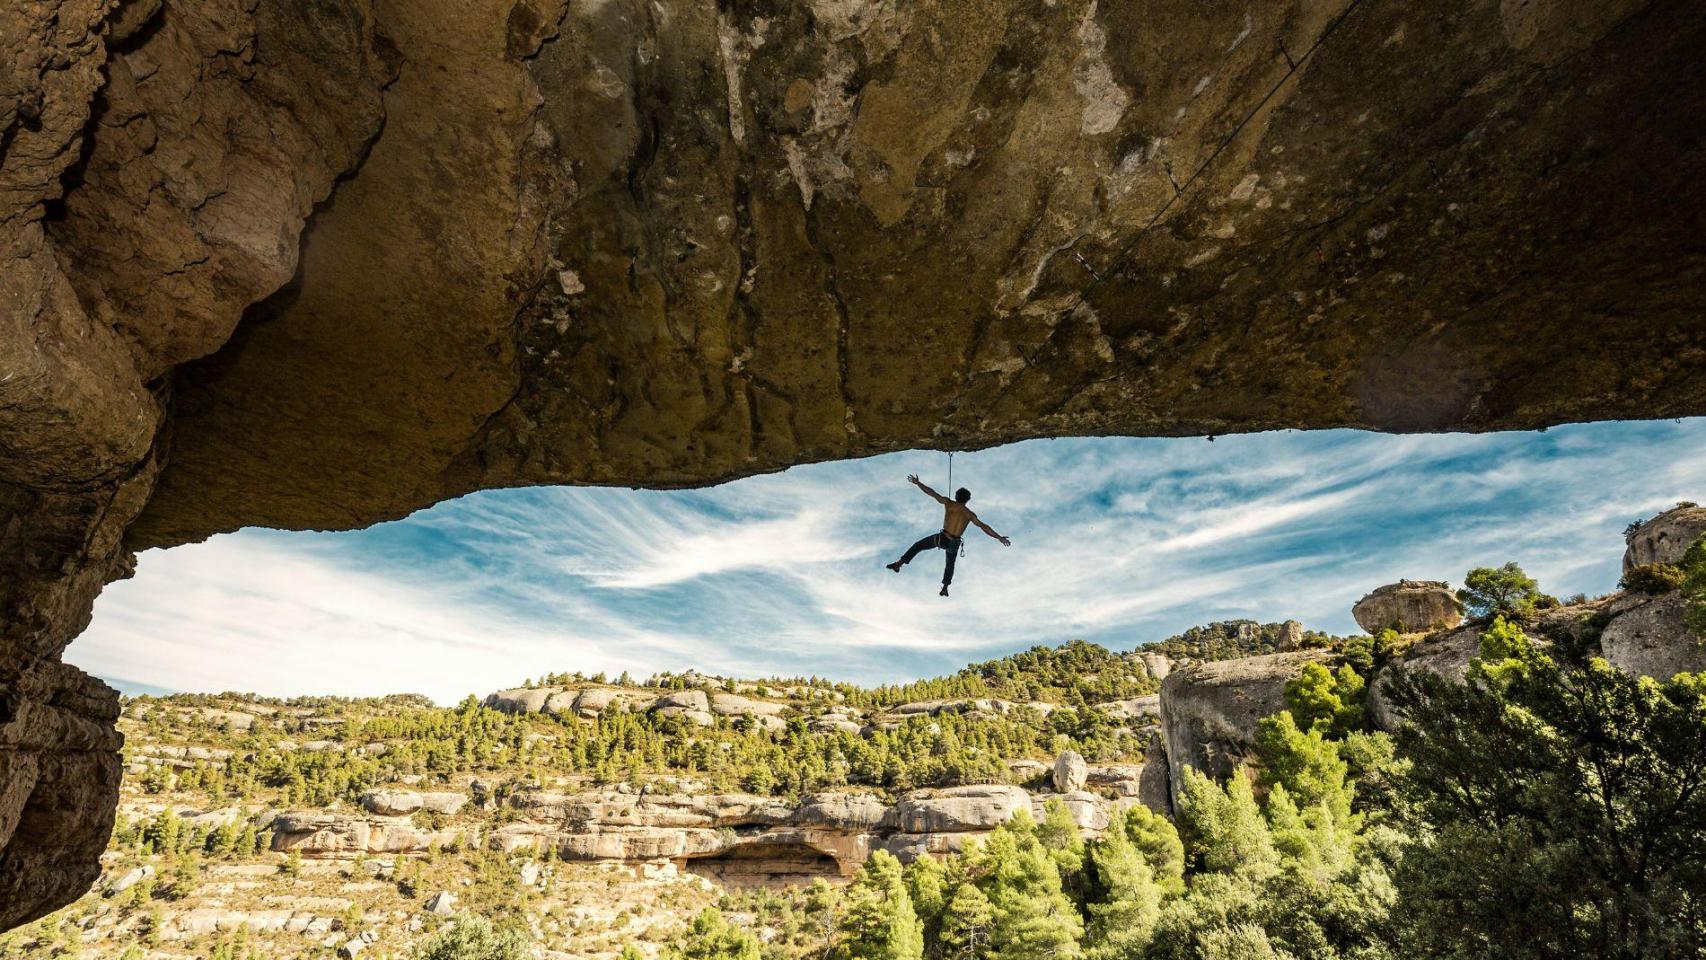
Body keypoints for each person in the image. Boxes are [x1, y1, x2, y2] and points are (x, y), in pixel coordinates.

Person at [887, 474, 1011, 596]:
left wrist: (918, 483)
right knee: (950, 565)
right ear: (968, 499)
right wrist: (999, 537)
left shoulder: (949, 503)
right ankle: (945, 587)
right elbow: (984, 527)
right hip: (954, 543)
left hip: (943, 538)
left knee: (918, 545)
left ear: (956, 496)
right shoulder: (970, 514)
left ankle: (899, 564)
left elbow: (932, 493)